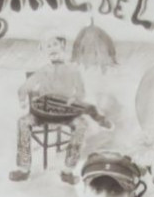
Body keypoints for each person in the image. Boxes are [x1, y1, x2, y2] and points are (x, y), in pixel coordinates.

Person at [10, 35, 110, 184]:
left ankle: (67, 170)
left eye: (55, 44)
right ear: (45, 51)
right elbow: (23, 88)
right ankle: (24, 169)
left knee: (81, 124)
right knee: (23, 122)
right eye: (48, 46)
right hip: (43, 113)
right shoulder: (43, 70)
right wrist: (23, 101)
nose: (52, 49)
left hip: (66, 112)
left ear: (63, 46)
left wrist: (74, 99)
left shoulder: (73, 70)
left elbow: (81, 92)